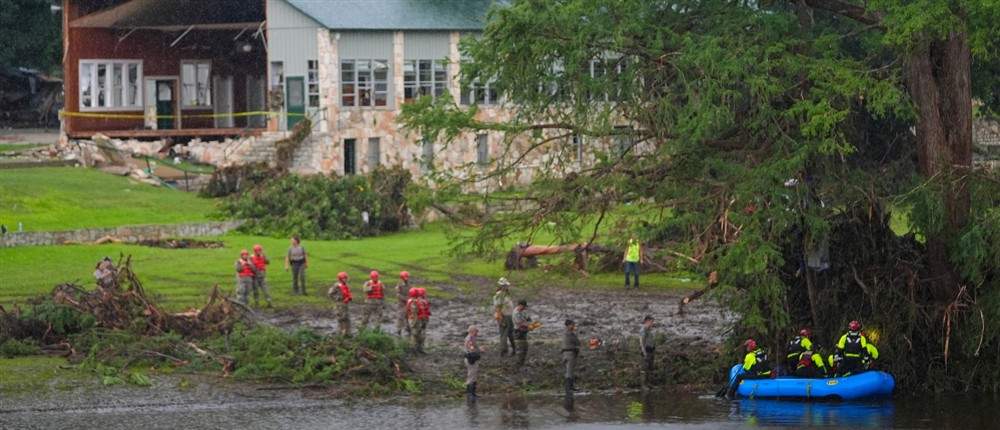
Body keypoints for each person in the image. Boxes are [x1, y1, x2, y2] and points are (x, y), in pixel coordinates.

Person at [511, 299, 539, 366]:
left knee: (525, 347)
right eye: (523, 307)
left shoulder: (523, 312)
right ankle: (518, 363)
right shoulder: (516, 313)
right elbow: (520, 324)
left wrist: (533, 324)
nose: (524, 308)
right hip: (518, 332)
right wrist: (529, 326)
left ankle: (522, 362)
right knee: (520, 348)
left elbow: (528, 319)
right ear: (520, 305)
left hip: (523, 332)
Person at [493, 277, 516, 356]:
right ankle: (504, 351)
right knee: (504, 334)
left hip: (510, 316)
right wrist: (501, 319)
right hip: (504, 316)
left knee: (511, 333)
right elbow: (498, 308)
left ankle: (514, 349)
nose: (507, 287)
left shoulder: (505, 295)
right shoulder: (499, 295)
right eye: (505, 285)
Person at [328, 272, 352, 337]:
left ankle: (348, 333)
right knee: (341, 318)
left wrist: (349, 297)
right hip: (339, 305)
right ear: (340, 279)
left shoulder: (346, 285)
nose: (346, 279)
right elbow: (330, 294)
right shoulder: (336, 286)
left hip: (345, 304)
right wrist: (338, 298)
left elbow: (348, 292)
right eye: (344, 278)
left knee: (347, 318)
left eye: (346, 278)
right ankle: (341, 333)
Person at [562, 319, 581, 394]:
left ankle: (569, 388)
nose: (574, 326)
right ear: (569, 325)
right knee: (570, 371)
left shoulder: (564, 332)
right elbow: (578, 342)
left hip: (565, 354)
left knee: (568, 371)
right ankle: (569, 388)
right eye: (573, 325)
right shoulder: (569, 333)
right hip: (570, 354)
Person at [464, 325, 483, 399]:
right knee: (471, 375)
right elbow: (472, 350)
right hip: (471, 359)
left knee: (473, 375)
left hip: (471, 358)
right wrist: (480, 350)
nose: (477, 332)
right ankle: (470, 394)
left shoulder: (471, 338)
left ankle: (472, 393)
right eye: (476, 331)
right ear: (472, 331)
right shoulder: (470, 339)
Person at [639, 315, 655, 390]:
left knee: (650, 368)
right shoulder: (643, 330)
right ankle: (643, 385)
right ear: (647, 322)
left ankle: (649, 383)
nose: (652, 324)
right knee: (644, 369)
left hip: (651, 351)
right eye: (651, 322)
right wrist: (644, 353)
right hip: (645, 352)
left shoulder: (649, 330)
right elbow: (642, 343)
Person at [394, 271, 412, 337]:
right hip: (402, 304)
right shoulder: (399, 285)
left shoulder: (409, 285)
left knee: (409, 317)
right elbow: (398, 295)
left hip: (409, 304)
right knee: (400, 317)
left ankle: (410, 330)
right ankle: (399, 331)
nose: (407, 278)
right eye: (405, 277)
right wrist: (405, 299)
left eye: (407, 277)